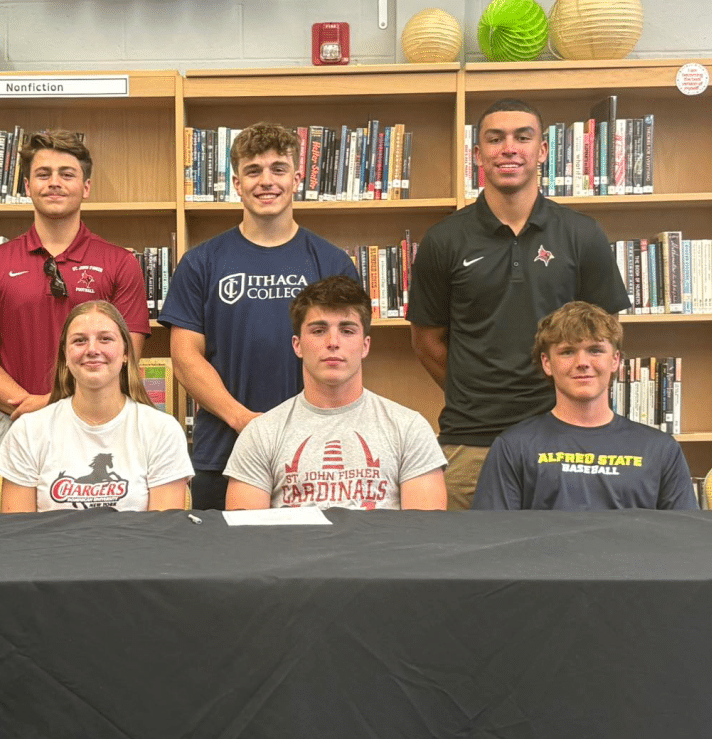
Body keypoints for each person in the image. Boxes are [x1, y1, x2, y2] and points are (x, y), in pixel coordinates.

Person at [408, 98, 631, 510]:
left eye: (522, 137)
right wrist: (475, 390)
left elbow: (605, 336)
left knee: (569, 561)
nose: (509, 148)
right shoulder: (443, 240)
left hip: (566, 436)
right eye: (495, 139)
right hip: (471, 440)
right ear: (478, 155)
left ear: (542, 150)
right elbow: (427, 342)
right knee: (469, 565)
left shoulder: (583, 234)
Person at [160, 122, 360, 510]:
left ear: (297, 178)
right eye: (253, 171)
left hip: (316, 452)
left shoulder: (332, 262)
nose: (266, 181)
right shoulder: (201, 262)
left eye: (278, 169)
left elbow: (347, 356)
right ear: (237, 182)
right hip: (224, 452)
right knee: (224, 567)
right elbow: (184, 359)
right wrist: (242, 420)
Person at [0, 129, 150, 458]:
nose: (54, 182)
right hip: (20, 422)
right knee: (17, 511)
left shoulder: (120, 263)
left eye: (67, 174)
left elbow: (125, 353)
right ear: (28, 186)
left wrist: (51, 404)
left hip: (101, 425)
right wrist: (29, 408)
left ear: (86, 188)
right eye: (43, 174)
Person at [225, 276, 446, 511]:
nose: (333, 342)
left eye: (347, 330)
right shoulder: (261, 434)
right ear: (297, 345)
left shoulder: (409, 428)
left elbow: (424, 536)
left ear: (365, 345)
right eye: (319, 330)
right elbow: (246, 539)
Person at [472, 301, 698, 510]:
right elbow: (493, 538)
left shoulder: (661, 449)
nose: (582, 363)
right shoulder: (513, 447)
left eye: (595, 350)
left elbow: (684, 537)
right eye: (567, 352)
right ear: (547, 363)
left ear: (615, 360)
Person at [0, 300, 192, 512]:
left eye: (105, 339)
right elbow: (19, 532)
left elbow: (163, 532)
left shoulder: (162, 430)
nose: (92, 349)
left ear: (126, 353)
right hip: (52, 546)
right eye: (79, 341)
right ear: (65, 356)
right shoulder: (28, 431)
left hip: (133, 545)